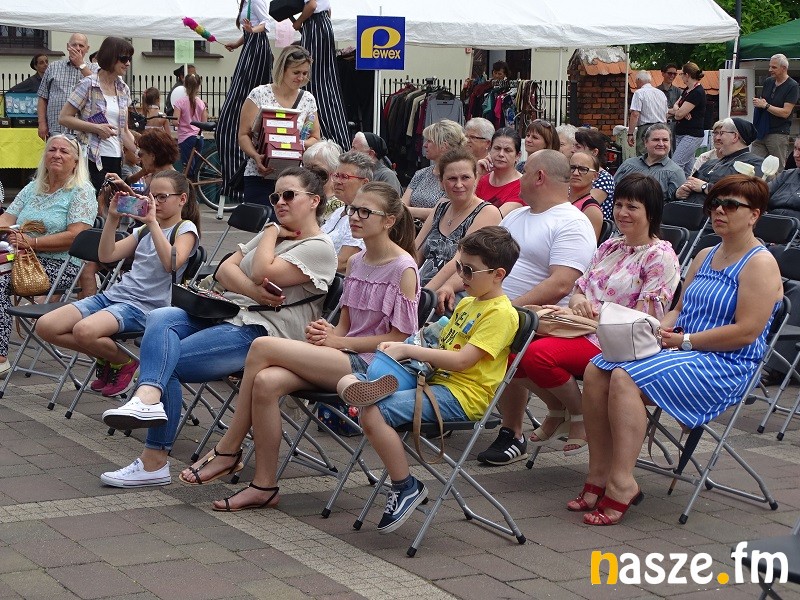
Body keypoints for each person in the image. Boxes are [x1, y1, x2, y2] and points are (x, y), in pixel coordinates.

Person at [97, 166, 338, 487]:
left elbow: (262, 270)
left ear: (314, 201)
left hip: (268, 333)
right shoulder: (279, 232)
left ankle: (153, 461)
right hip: (233, 314)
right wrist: (254, 290)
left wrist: (269, 233)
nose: (280, 202)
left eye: (289, 195)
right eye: (275, 196)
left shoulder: (318, 246)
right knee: (161, 317)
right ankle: (147, 398)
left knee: (168, 362)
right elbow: (225, 269)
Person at [183, 183, 419, 507]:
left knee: (263, 346)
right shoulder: (358, 261)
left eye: (365, 212)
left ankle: (228, 448)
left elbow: (400, 339)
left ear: (389, 220)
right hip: (343, 356)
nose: (354, 217)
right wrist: (327, 333)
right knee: (266, 382)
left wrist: (337, 341)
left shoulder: (403, 268)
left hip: (374, 365)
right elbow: (346, 326)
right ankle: (264, 486)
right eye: (353, 209)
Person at [575, 174, 783, 525]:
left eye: (731, 205)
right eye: (714, 203)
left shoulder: (760, 263)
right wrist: (662, 326)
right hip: (685, 349)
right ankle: (598, 473)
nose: (719, 211)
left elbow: (747, 332)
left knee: (625, 376)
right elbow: (680, 308)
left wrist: (685, 341)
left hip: (726, 362)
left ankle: (622, 482)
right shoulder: (705, 254)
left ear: (754, 215)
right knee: (598, 367)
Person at [478, 174, 680, 465]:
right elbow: (579, 288)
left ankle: (580, 414)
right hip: (579, 327)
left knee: (537, 355)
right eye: (619, 205)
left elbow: (646, 318)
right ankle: (559, 409)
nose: (622, 213)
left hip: (617, 340)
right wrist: (578, 302)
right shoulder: (610, 246)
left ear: (651, 212)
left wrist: (595, 316)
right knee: (507, 351)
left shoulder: (660, 256)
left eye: (632, 207)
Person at [339, 226, 520, 533]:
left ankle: (405, 485)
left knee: (373, 412)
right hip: (434, 381)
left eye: (469, 270)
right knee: (348, 381)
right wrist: (411, 348)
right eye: (459, 266)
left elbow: (462, 361)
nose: (460, 275)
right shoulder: (468, 303)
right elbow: (439, 345)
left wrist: (407, 349)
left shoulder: (501, 313)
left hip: (464, 396)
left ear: (498, 274)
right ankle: (371, 388)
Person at [36, 171, 200, 398]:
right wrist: (113, 218)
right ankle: (110, 356)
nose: (155, 203)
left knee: (84, 331)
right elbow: (107, 255)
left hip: (145, 306)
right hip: (116, 295)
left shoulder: (185, 229)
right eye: (151, 197)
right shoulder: (144, 230)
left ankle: (125, 362)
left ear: (182, 199)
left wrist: (152, 223)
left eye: (162, 197)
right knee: (46, 326)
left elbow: (170, 264)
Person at [437, 149, 595, 323]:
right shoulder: (516, 215)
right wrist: (450, 285)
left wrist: (506, 311)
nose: (520, 178)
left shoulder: (573, 223)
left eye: (524, 172)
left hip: (520, 320)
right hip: (479, 305)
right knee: (432, 307)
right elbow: (479, 260)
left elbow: (561, 285)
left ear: (539, 177)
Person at [0, 135, 97, 375]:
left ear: (76, 161)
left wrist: (32, 242)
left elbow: (76, 236)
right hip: (20, 259)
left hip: (60, 265)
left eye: (64, 151)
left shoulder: (82, 191)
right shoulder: (33, 187)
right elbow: (6, 219)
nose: (57, 155)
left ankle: (1, 356)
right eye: (52, 150)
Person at [237, 45, 321, 207]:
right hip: (259, 175)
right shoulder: (259, 94)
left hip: (293, 178)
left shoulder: (308, 99)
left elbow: (315, 137)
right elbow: (243, 135)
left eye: (305, 73)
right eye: (296, 72)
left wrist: (295, 145)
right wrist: (256, 156)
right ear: (282, 69)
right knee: (263, 220)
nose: (301, 78)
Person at [58, 36, 137, 191]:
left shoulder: (123, 88)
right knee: (93, 199)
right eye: (124, 58)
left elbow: (124, 131)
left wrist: (139, 152)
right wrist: (96, 128)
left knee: (112, 201)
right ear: (111, 57)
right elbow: (64, 118)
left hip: (116, 157)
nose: (128, 63)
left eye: (130, 59)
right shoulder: (88, 84)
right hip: (92, 157)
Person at [416, 147, 501, 287]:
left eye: (465, 177)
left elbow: (459, 260)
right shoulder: (441, 207)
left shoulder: (487, 212)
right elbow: (416, 249)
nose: (459, 184)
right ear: (441, 182)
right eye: (452, 179)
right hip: (421, 286)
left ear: (475, 178)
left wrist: (425, 293)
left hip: (454, 290)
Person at [216, 0, 272, 198]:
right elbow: (252, 28)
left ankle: (237, 184)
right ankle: (233, 181)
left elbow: (266, 23)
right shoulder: (247, 2)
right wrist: (238, 42)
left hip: (257, 49)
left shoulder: (256, 0)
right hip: (250, 46)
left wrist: (252, 30)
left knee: (243, 95)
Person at [294, 0, 351, 150]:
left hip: (314, 24)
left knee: (312, 80)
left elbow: (312, 5)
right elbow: (328, 9)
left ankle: (326, 138)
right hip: (323, 23)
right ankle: (338, 141)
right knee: (326, 81)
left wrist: (299, 21)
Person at [676, 117, 763, 205]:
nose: (717, 138)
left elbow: (749, 193)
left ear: (735, 137)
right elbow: (691, 183)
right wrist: (679, 193)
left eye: (721, 133)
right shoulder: (709, 163)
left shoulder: (754, 163)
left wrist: (706, 187)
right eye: (716, 133)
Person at [402, 119, 467, 221]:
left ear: (443, 146)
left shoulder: (457, 178)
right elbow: (402, 204)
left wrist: (408, 211)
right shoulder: (421, 173)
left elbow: (445, 211)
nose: (424, 145)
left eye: (429, 141)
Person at [37, 33, 95, 140]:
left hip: (84, 133)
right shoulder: (53, 67)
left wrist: (81, 65)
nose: (77, 48)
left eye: (81, 46)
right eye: (74, 45)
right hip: (57, 129)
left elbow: (97, 88)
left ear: (87, 49)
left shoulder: (94, 69)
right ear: (68, 46)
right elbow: (43, 97)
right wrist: (42, 123)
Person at [323, 151, 373, 272]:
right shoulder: (338, 211)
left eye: (344, 177)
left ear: (364, 183)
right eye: (336, 175)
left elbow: (344, 262)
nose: (337, 181)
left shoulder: (364, 217)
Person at [752, 54, 799, 173]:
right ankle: (754, 186)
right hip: (761, 131)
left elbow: (785, 113)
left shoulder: (792, 86)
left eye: (774, 67)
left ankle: (776, 186)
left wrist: (765, 105)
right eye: (769, 66)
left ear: (784, 68)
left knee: (776, 169)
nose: (770, 70)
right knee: (753, 165)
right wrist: (759, 103)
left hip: (778, 133)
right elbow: (764, 102)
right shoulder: (768, 82)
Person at [614, 124, 686, 202]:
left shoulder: (675, 172)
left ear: (670, 143)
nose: (661, 144)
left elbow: (676, 206)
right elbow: (612, 191)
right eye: (656, 140)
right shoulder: (628, 165)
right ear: (645, 142)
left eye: (665, 140)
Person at [668, 62, 707, 178]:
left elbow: (678, 115)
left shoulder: (697, 92)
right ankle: (689, 186)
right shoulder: (687, 90)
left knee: (676, 164)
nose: (681, 77)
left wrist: (680, 113)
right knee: (688, 169)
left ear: (687, 75)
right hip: (682, 133)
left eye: (681, 74)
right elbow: (676, 106)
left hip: (692, 134)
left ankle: (675, 187)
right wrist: (681, 112)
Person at [476, 127, 524, 216]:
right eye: (497, 148)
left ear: (518, 156)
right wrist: (478, 174)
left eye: (507, 150)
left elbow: (496, 218)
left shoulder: (522, 186)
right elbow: (463, 207)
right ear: (490, 150)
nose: (501, 154)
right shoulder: (482, 178)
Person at [575, 128, 616, 220]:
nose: (573, 150)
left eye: (578, 147)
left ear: (594, 152)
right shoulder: (572, 172)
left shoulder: (604, 178)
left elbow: (584, 205)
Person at [173, 74, 208, 180]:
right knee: (196, 167)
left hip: (185, 138)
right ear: (199, 86)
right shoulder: (201, 103)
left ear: (185, 85)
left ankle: (190, 186)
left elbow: (175, 121)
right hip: (199, 137)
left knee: (187, 167)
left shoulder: (179, 102)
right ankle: (196, 185)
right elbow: (204, 122)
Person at [627, 71, 668, 157]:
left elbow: (635, 114)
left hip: (645, 129)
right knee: (660, 154)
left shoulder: (639, 93)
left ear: (639, 80)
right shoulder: (661, 93)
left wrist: (630, 133)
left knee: (644, 156)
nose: (635, 83)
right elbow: (666, 114)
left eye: (636, 81)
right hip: (662, 127)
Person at [567, 152, 604, 241]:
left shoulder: (591, 210)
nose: (576, 173)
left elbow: (588, 245)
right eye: (572, 168)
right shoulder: (560, 198)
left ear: (595, 176)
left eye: (583, 169)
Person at [302, 140, 343, 217]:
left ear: (333, 169)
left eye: (315, 167)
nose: (309, 171)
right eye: (306, 166)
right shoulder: (303, 197)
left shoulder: (339, 205)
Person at [767, 138, 800, 219]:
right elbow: (761, 194)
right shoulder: (786, 175)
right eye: (795, 148)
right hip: (770, 220)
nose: (795, 154)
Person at [658, 63, 681, 152]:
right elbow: (656, 110)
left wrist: (667, 112)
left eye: (674, 74)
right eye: (670, 73)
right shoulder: (656, 91)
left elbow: (681, 110)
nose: (672, 76)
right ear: (663, 73)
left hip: (675, 125)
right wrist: (672, 111)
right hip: (660, 125)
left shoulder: (679, 92)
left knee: (674, 150)